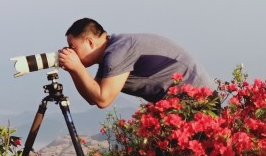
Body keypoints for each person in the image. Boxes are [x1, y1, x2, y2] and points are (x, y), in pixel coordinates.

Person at [57, 18, 214, 108]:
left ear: (90, 42)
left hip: (198, 100)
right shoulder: (113, 49)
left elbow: (102, 99)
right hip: (187, 101)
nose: (71, 51)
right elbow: (92, 97)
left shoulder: (118, 52)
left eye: (73, 47)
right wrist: (73, 70)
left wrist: (77, 67)